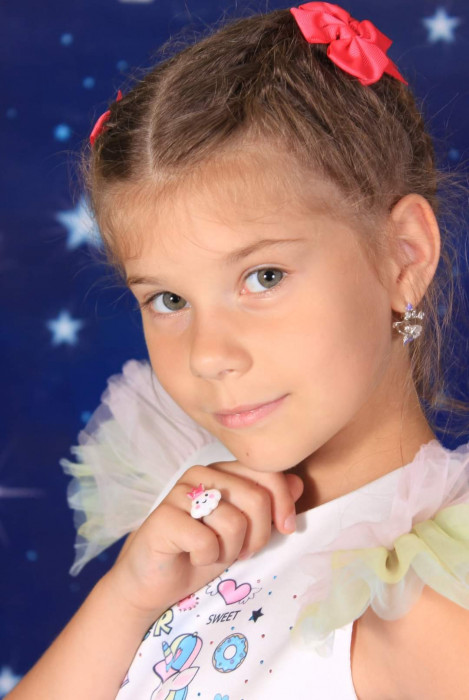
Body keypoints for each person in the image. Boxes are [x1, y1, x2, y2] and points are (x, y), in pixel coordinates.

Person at [9, 2, 469, 698]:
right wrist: (125, 598)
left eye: (264, 278)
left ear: (403, 256)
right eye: (168, 300)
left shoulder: (427, 610)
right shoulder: (187, 544)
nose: (207, 355)